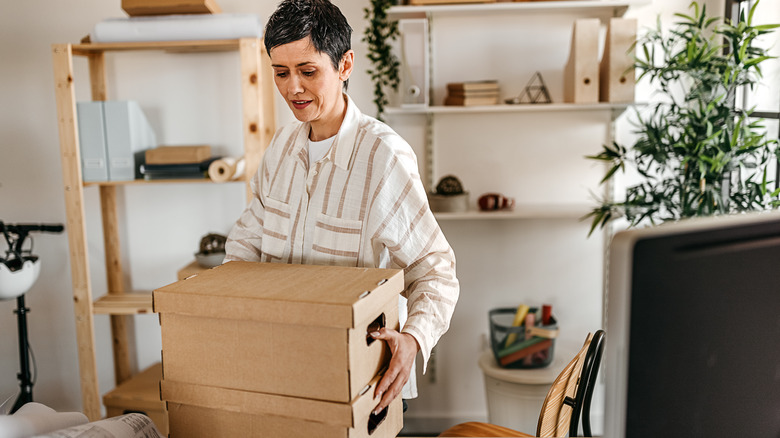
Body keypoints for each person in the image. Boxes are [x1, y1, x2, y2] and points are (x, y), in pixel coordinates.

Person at [223, 0, 458, 415]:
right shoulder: (280, 149)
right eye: (281, 73)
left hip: (359, 378)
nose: (292, 88)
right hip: (278, 366)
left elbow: (436, 269)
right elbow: (244, 247)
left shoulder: (384, 157)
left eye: (308, 71)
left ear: (345, 64)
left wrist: (415, 339)